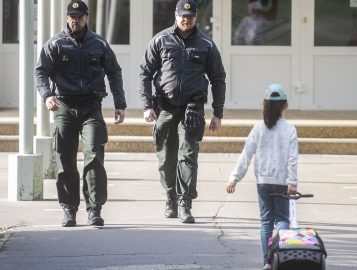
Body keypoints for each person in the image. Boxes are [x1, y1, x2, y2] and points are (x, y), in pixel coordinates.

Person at [35, 0, 127, 227]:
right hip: (64, 106)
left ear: (87, 18)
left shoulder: (99, 43)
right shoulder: (56, 43)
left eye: (80, 16)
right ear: (67, 18)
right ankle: (69, 210)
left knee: (94, 154)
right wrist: (47, 96)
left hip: (91, 107)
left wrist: (120, 103)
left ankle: (94, 209)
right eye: (72, 17)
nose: (75, 20)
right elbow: (41, 72)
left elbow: (114, 72)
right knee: (66, 160)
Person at [138, 0, 226, 224]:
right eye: (182, 15)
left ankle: (185, 202)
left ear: (196, 17)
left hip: (192, 108)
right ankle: (170, 198)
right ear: (175, 15)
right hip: (165, 107)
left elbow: (218, 78)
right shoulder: (160, 39)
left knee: (188, 156)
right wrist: (147, 105)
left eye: (190, 15)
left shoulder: (206, 44)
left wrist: (218, 112)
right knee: (166, 157)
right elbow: (145, 73)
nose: (186, 19)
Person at [226, 83, 298, 270]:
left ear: (263, 104)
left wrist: (235, 177)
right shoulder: (289, 129)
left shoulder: (258, 128)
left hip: (263, 182)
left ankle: (267, 261)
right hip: (282, 183)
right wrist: (292, 182)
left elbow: (246, 154)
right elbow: (292, 159)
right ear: (285, 105)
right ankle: (280, 259)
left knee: (266, 221)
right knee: (282, 220)